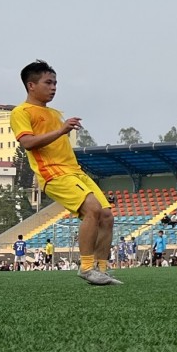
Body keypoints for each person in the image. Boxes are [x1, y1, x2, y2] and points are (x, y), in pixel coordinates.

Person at [10, 61, 120, 286]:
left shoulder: (53, 113)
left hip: (75, 171)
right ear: (31, 85)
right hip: (53, 173)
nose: (53, 88)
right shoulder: (21, 112)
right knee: (93, 209)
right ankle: (86, 267)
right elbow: (28, 142)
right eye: (48, 83)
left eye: (55, 83)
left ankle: (101, 269)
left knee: (107, 216)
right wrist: (62, 130)